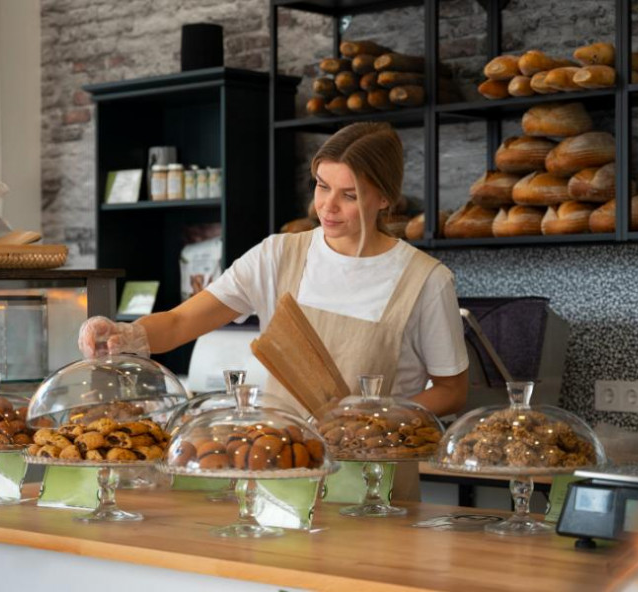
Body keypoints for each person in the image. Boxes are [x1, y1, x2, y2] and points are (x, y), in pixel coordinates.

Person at [80, 122, 469, 496]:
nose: (327, 207)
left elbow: (452, 390)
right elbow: (182, 320)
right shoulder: (277, 255)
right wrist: (125, 333)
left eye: (349, 195)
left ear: (384, 198)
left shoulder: (426, 280)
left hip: (375, 485)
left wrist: (373, 420)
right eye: (322, 186)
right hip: (279, 473)